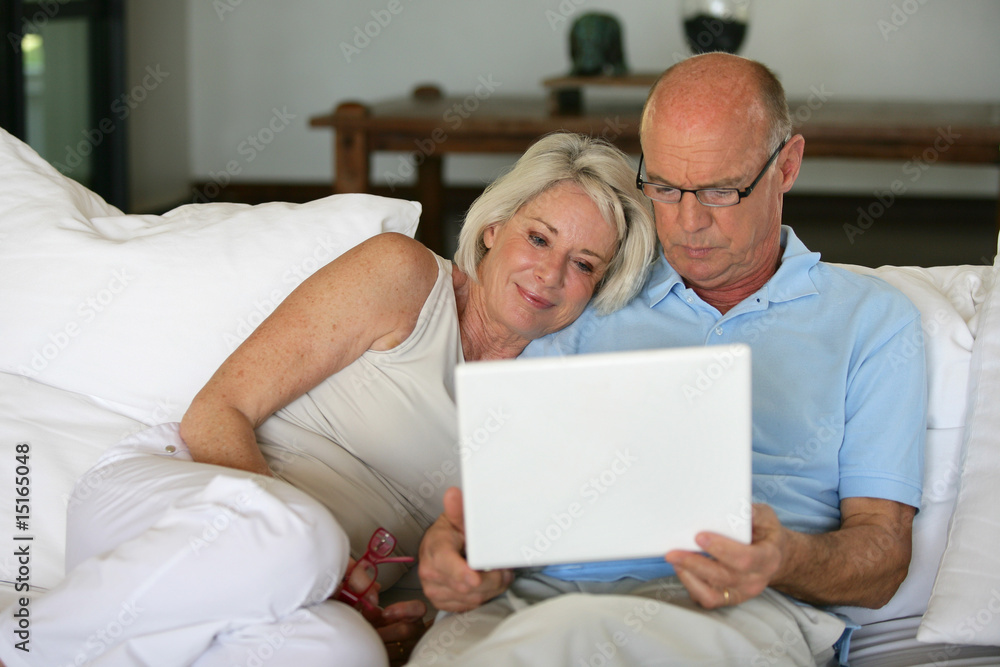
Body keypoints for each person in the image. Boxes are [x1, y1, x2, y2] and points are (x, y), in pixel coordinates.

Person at [0, 132, 657, 667]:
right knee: (303, 539)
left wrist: (399, 606)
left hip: (296, 593)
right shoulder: (405, 277)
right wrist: (316, 562)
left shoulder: (541, 406)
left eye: (584, 263)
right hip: (172, 509)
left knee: (346, 651)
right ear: (494, 228)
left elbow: (447, 560)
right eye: (539, 237)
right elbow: (217, 411)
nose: (550, 273)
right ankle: (20, 646)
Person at [411, 53, 927, 666]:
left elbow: (883, 560)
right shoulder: (592, 283)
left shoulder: (871, 321)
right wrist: (458, 551)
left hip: (737, 609)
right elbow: (504, 486)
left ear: (787, 166)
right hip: (528, 600)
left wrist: (784, 559)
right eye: (662, 187)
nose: (686, 223)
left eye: (719, 191)